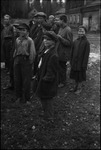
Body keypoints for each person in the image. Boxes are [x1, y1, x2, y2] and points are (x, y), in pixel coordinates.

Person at [34, 31, 59, 122]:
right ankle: (46, 113)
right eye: (44, 39)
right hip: (42, 77)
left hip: (47, 82)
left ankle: (49, 117)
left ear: (54, 42)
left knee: (47, 99)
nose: (45, 41)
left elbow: (51, 73)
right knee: (43, 97)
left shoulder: (53, 55)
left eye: (48, 40)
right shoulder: (46, 51)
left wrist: (45, 80)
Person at [13, 23, 36, 104]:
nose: (22, 32)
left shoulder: (30, 40)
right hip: (18, 60)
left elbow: (32, 53)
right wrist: (15, 59)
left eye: (24, 30)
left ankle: (27, 99)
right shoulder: (17, 39)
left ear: (27, 31)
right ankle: (18, 97)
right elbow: (16, 50)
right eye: (20, 30)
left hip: (26, 61)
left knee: (26, 81)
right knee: (17, 79)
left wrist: (30, 63)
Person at [70, 25, 90, 94]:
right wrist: (71, 60)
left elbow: (86, 55)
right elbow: (72, 52)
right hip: (74, 62)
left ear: (85, 32)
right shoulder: (75, 41)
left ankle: (79, 88)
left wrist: (84, 65)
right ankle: (75, 86)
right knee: (75, 75)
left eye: (82, 31)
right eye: (79, 31)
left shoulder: (86, 43)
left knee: (80, 76)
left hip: (81, 63)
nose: (80, 32)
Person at [57, 15, 73, 88]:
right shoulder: (60, 28)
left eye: (59, 20)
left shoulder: (68, 30)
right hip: (59, 51)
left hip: (64, 53)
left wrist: (60, 38)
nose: (58, 21)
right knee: (59, 67)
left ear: (62, 20)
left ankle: (63, 82)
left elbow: (69, 43)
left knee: (62, 68)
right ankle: (59, 80)